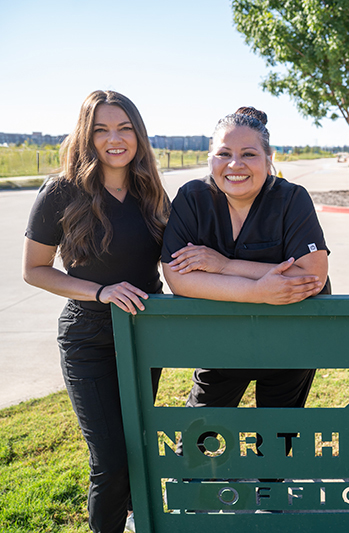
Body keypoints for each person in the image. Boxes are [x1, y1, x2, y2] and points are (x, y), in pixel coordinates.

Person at [22, 90, 169, 533]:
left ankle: (134, 521)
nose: (115, 139)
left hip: (144, 336)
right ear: (88, 136)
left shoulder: (150, 191)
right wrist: (100, 291)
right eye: (102, 129)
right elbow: (34, 270)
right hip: (89, 337)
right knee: (109, 460)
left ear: (138, 135)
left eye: (124, 128)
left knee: (138, 447)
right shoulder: (62, 190)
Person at [161, 107, 329, 408]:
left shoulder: (291, 198)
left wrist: (223, 266)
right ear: (210, 157)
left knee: (277, 442)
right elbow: (178, 276)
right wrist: (259, 290)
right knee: (196, 441)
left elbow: (312, 276)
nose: (235, 164)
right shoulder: (193, 198)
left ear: (269, 158)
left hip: (290, 344)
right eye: (224, 154)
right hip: (222, 343)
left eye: (249, 154)